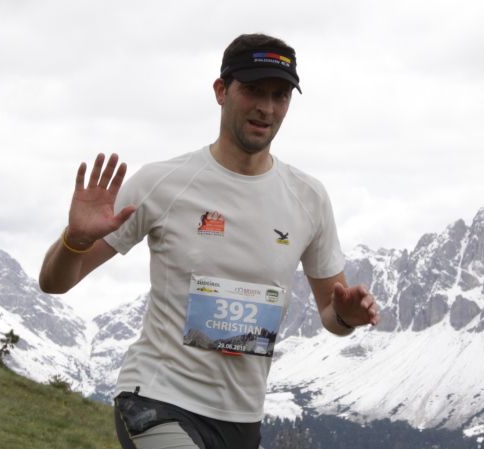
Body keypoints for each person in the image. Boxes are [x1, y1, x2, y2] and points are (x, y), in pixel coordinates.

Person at [39, 33, 380, 449]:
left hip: (242, 417)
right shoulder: (162, 182)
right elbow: (54, 283)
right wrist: (74, 240)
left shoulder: (309, 198)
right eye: (253, 89)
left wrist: (346, 316)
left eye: (280, 95)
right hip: (157, 397)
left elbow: (332, 315)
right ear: (221, 90)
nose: (267, 107)